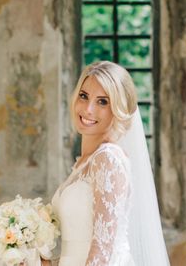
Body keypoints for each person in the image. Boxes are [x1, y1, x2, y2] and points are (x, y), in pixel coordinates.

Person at [43, 61, 169, 266]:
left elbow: (102, 254)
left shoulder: (107, 159)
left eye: (103, 102)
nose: (89, 109)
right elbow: (76, 251)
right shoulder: (83, 164)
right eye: (84, 96)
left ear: (118, 109)